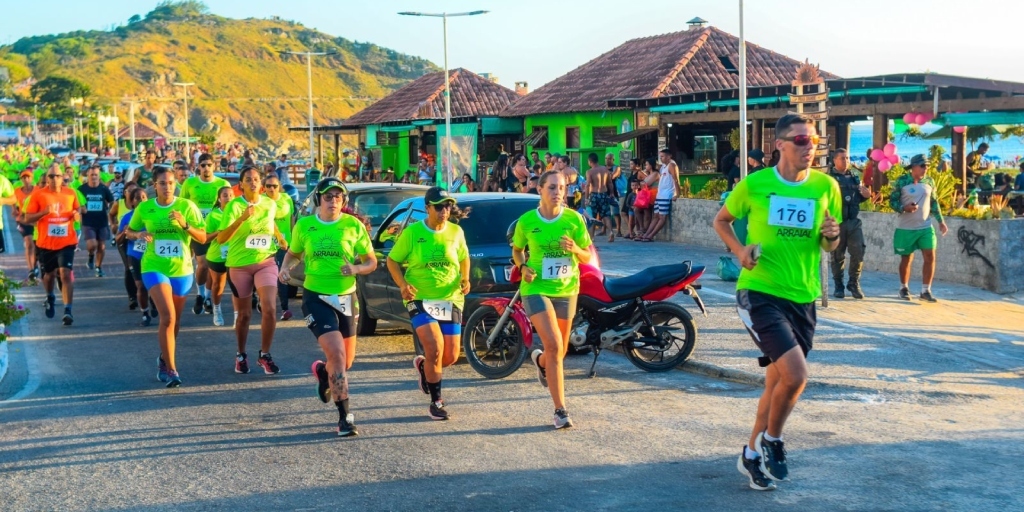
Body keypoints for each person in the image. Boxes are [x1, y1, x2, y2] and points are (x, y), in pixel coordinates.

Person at [713, 113, 843, 491]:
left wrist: (832, 236)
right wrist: (739, 251)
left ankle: (751, 455)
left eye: (814, 141)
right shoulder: (755, 184)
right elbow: (721, 221)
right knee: (796, 375)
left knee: (775, 384)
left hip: (803, 296)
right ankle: (773, 440)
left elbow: (828, 244)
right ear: (780, 144)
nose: (810, 147)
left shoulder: (825, 186)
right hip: (759, 291)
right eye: (801, 140)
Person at [279, 178, 376, 437]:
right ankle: (345, 418)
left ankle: (324, 371)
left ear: (344, 201)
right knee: (338, 355)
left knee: (346, 361)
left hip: (345, 297)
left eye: (338, 196)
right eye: (328, 196)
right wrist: (285, 267)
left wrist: (356, 268)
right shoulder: (305, 225)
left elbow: (371, 262)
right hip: (316, 296)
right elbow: (293, 253)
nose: (333, 200)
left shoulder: (353, 226)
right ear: (318, 200)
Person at [511, 170, 593, 429]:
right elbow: (517, 250)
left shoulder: (574, 219)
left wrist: (576, 249)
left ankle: (540, 361)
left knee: (559, 350)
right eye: (552, 188)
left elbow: (587, 257)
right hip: (536, 288)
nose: (558, 192)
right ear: (540, 190)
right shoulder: (526, 221)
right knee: (555, 345)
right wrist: (522, 267)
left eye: (562, 188)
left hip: (567, 288)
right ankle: (560, 410)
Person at [387, 187, 470, 421]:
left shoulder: (456, 231)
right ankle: (436, 401)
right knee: (434, 347)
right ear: (428, 208)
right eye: (439, 206)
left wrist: (465, 278)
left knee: (451, 356)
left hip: (450, 298)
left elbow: (464, 258)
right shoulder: (413, 233)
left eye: (447, 206)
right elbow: (393, 261)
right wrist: (403, 285)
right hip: (419, 297)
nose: (444, 211)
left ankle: (425, 369)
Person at [126, 166, 206, 388]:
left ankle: (163, 358)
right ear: (155, 186)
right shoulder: (145, 207)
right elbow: (128, 232)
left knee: (175, 322)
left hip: (181, 269)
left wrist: (185, 224)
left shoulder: (186, 206)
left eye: (171, 183)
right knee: (168, 317)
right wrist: (139, 234)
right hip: (154, 266)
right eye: (163, 183)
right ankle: (172, 370)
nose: (168, 187)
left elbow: (202, 237)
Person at [217, 166, 286, 375]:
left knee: (270, 308)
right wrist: (242, 219)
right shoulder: (234, 206)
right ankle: (240, 354)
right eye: (249, 179)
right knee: (244, 315)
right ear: (241, 185)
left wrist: (280, 237)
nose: (254, 182)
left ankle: (265, 355)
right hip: (239, 265)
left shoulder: (269, 203)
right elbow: (221, 238)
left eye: (256, 179)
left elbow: (270, 223)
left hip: (265, 260)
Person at [24, 163, 81, 326]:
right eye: (51, 176)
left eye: (57, 176)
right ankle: (50, 295)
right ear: (46, 178)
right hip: (46, 244)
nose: (54, 179)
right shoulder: (38, 195)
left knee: (65, 273)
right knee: (48, 276)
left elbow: (78, 212)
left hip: (67, 242)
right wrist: (44, 212)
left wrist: (77, 216)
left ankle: (68, 310)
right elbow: (27, 218)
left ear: (62, 177)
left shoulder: (71, 193)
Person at [889, 154, 949, 302]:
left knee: (930, 256)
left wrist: (941, 221)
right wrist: (904, 208)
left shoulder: (930, 181)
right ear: (914, 167)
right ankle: (903, 288)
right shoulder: (902, 181)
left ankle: (925, 290)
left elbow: (934, 203)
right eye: (923, 166)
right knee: (907, 258)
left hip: (925, 227)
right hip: (906, 228)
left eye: (927, 166)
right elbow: (892, 201)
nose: (925, 169)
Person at [179, 153, 232, 315]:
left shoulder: (223, 184)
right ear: (198, 166)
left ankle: (208, 297)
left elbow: (232, 207)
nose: (206, 168)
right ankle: (200, 294)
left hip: (218, 229)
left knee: (212, 268)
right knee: (202, 264)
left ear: (214, 166)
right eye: (203, 165)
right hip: (199, 230)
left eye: (209, 165)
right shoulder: (190, 183)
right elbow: (182, 205)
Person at [828, 148, 871, 299]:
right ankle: (838, 286)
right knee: (837, 255)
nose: (845, 161)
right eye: (842, 158)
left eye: (847, 158)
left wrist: (866, 195)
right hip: (837, 222)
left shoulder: (854, 177)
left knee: (858, 252)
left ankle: (854, 283)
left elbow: (857, 198)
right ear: (834, 160)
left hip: (853, 222)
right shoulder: (830, 179)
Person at [117, 187, 157, 326]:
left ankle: (155, 302)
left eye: (144, 197)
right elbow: (118, 240)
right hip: (135, 254)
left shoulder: (154, 214)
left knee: (155, 284)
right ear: (132, 202)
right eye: (138, 198)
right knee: (141, 286)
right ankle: (145, 313)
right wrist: (124, 232)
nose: (141, 200)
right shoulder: (127, 217)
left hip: (153, 255)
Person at [263, 172, 295, 321]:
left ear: (279, 187)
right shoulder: (261, 201)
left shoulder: (287, 199)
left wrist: (293, 239)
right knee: (266, 276)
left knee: (282, 274)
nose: (271, 189)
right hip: (265, 244)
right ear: (264, 188)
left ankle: (284, 308)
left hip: (285, 244)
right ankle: (260, 300)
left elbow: (291, 219)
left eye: (274, 186)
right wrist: (278, 237)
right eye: (268, 186)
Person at [203, 186, 234, 326]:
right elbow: (205, 238)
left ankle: (238, 315)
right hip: (218, 255)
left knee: (238, 286)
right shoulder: (213, 215)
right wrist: (219, 232)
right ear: (219, 198)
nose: (228, 198)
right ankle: (216, 309)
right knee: (218, 285)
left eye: (231, 195)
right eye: (225, 195)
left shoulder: (239, 213)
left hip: (236, 254)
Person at [77, 165, 115, 277]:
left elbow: (112, 202)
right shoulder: (82, 189)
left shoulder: (104, 189)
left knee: (102, 246)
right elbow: (76, 204)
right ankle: (90, 256)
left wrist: (112, 212)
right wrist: (80, 210)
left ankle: (98, 267)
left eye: (96, 175)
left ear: (99, 176)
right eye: (92, 174)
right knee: (92, 244)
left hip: (102, 221)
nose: (94, 177)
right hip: (88, 222)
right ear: (87, 175)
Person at [637, 149, 680, 242]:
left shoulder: (671, 165)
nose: (661, 158)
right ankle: (647, 234)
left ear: (669, 156)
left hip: (666, 195)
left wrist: (677, 194)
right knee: (655, 216)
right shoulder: (663, 166)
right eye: (660, 157)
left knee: (662, 217)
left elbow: (676, 180)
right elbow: (651, 168)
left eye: (663, 156)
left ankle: (651, 235)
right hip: (660, 195)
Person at [13, 170, 38, 281]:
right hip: (23, 221)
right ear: (21, 180)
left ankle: (35, 263)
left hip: (36, 221)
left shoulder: (37, 190)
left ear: (32, 179)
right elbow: (13, 203)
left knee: (37, 246)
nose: (26, 180)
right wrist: (14, 211)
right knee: (29, 243)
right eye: (23, 178)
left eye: (28, 177)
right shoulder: (17, 191)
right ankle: (31, 269)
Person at [584, 153, 614, 242]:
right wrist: (611, 193)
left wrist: (586, 198)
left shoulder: (589, 172)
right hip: (604, 194)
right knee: (606, 215)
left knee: (592, 216)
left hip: (594, 195)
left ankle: (592, 237)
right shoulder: (605, 169)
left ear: (590, 161)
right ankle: (611, 232)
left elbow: (588, 185)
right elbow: (610, 183)